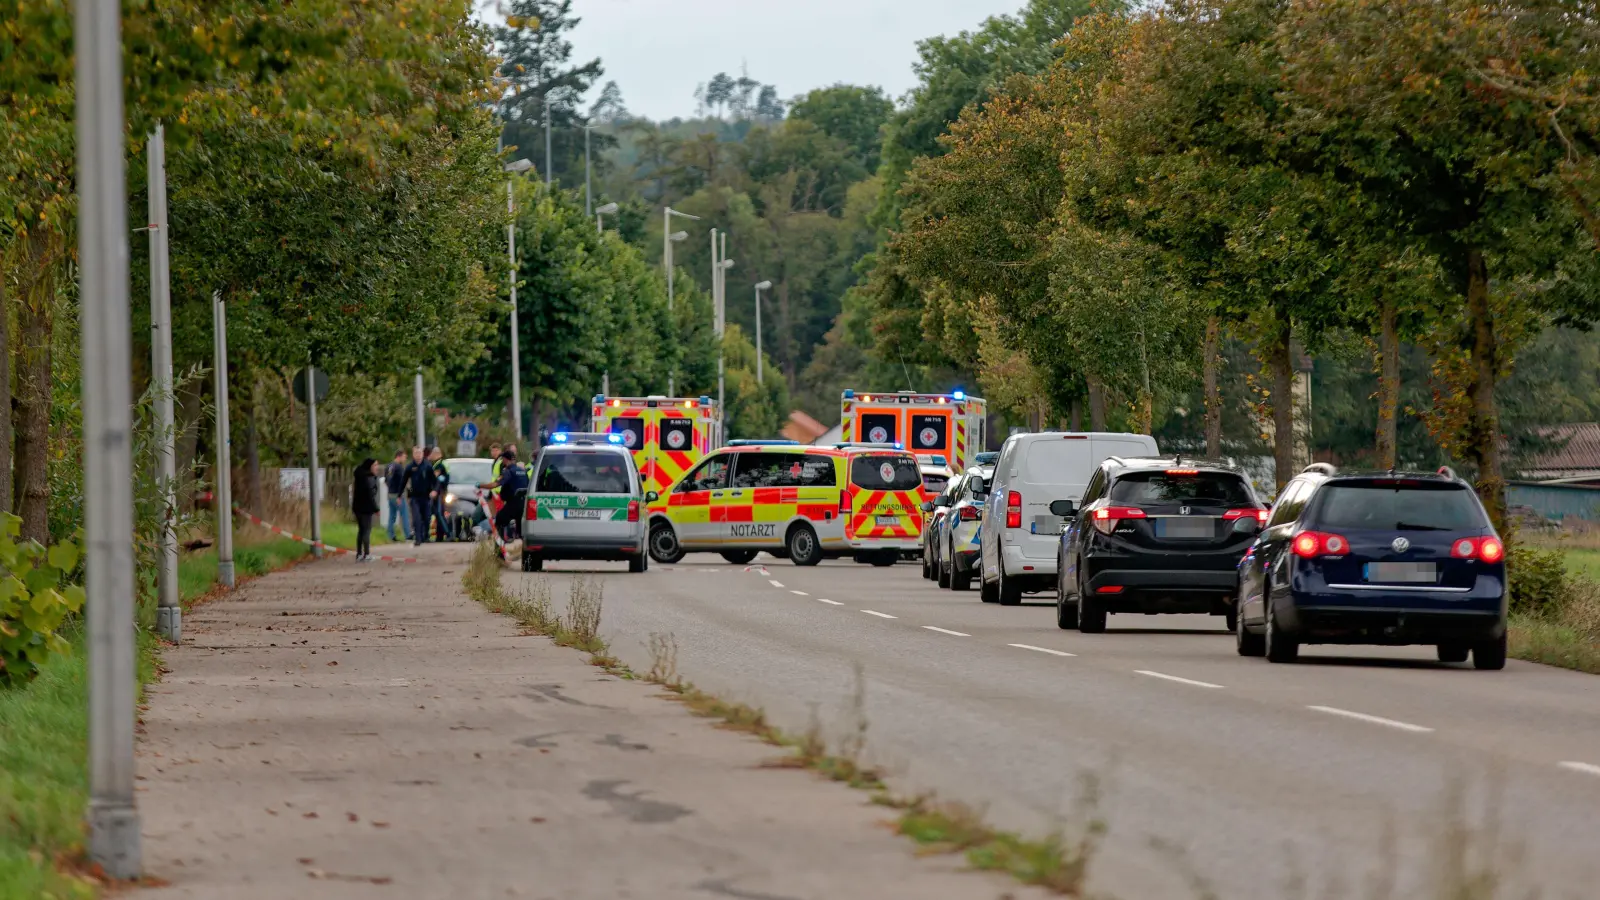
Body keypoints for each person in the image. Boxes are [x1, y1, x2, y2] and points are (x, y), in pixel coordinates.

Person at [481, 447, 527, 542]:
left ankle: (500, 548)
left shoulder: (508, 471)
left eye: (503, 459)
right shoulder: (523, 471)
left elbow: (495, 484)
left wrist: (480, 485)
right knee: (520, 529)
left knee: (499, 520)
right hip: (523, 503)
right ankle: (524, 551)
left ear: (506, 459)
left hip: (512, 503)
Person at [402, 446, 437, 546]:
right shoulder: (410, 467)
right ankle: (418, 538)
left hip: (426, 496)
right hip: (415, 497)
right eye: (416, 453)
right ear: (413, 455)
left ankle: (425, 536)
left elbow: (435, 481)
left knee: (426, 518)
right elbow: (403, 481)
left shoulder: (428, 466)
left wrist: (434, 491)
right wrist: (399, 495)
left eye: (419, 453)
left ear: (422, 454)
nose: (418, 455)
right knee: (416, 517)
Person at [352, 458, 380, 561]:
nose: (377, 467)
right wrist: (376, 509)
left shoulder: (359, 476)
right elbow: (370, 495)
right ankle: (367, 554)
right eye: (375, 465)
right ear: (370, 466)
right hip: (366, 508)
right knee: (366, 530)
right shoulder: (369, 478)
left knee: (361, 530)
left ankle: (359, 554)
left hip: (357, 507)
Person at [384, 450, 411, 542]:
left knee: (392, 515)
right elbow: (403, 481)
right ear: (399, 456)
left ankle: (391, 535)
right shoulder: (399, 467)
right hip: (398, 495)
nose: (405, 459)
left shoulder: (388, 466)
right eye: (404, 457)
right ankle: (408, 535)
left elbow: (386, 481)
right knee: (404, 514)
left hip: (390, 494)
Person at [430, 446, 450, 542]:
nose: (432, 456)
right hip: (442, 491)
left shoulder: (439, 465)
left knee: (439, 513)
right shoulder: (443, 464)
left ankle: (448, 533)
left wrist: (435, 491)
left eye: (433, 454)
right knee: (439, 514)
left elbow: (437, 479)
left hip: (439, 492)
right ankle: (439, 536)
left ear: (437, 454)